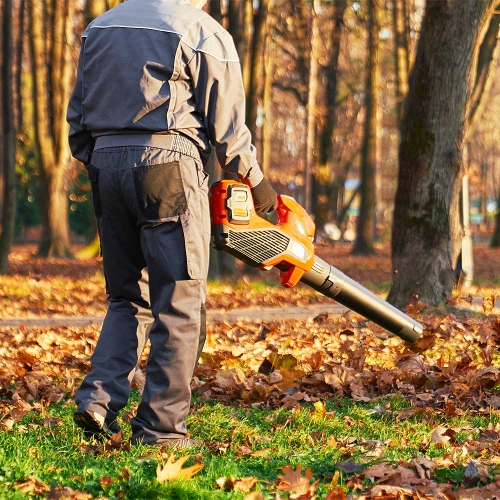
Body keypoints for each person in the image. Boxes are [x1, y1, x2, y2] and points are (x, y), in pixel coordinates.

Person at [67, 0, 277, 448]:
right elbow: (227, 124)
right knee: (179, 302)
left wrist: (102, 162)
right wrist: (256, 183)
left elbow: (78, 116)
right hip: (167, 164)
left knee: (127, 297)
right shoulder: (200, 30)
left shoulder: (99, 27)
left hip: (105, 164)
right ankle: (161, 431)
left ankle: (98, 401)